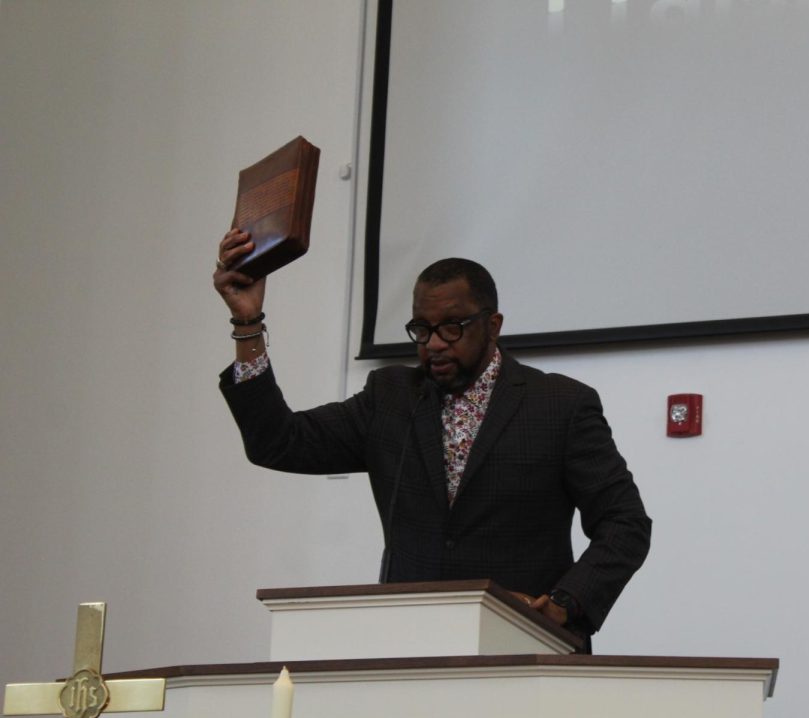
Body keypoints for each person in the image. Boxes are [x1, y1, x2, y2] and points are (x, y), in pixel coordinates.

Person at [214, 228, 651, 639]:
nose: (435, 343)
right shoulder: (389, 398)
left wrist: (563, 604)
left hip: (524, 648)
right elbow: (278, 442)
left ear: (493, 325)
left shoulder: (560, 405)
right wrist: (248, 324)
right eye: (421, 329)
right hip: (411, 642)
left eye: (452, 327)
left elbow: (625, 523)